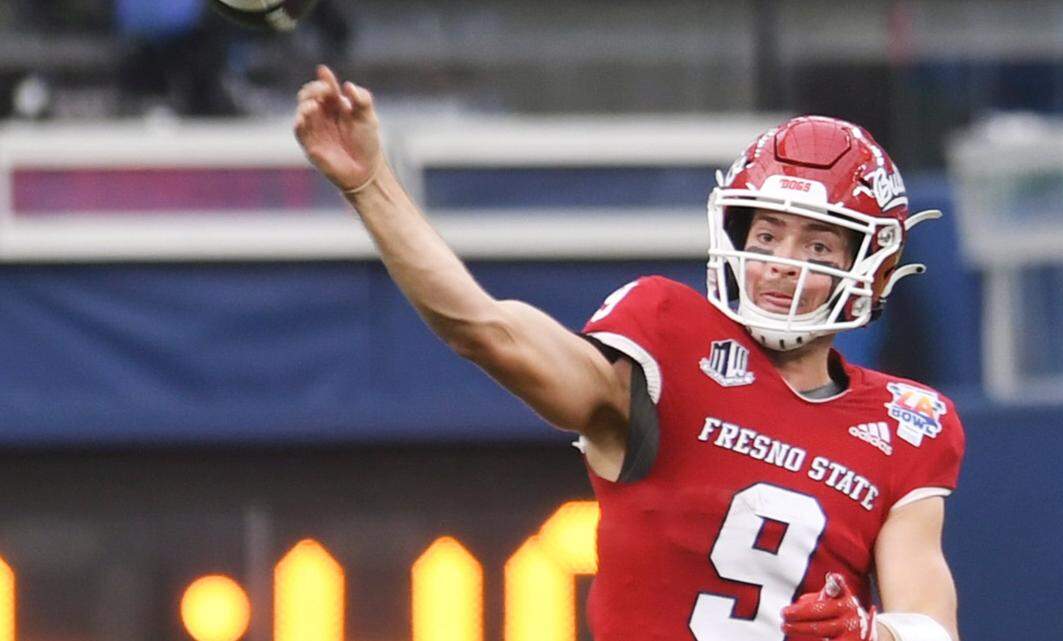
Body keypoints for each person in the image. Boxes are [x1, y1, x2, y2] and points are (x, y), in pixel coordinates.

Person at [294, 65, 964, 641]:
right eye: (767, 232)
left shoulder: (906, 423)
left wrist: (871, 632)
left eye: (818, 247)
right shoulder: (667, 337)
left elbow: (929, 621)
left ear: (872, 268)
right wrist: (370, 183)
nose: (782, 263)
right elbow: (485, 329)